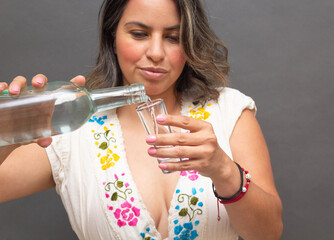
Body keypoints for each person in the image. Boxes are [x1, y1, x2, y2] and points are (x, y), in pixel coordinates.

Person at [0, 0, 283, 239]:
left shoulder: (229, 111)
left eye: (173, 37)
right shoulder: (70, 131)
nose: (156, 53)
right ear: (112, 38)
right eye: (139, 34)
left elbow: (268, 232)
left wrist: (224, 170)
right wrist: (5, 136)